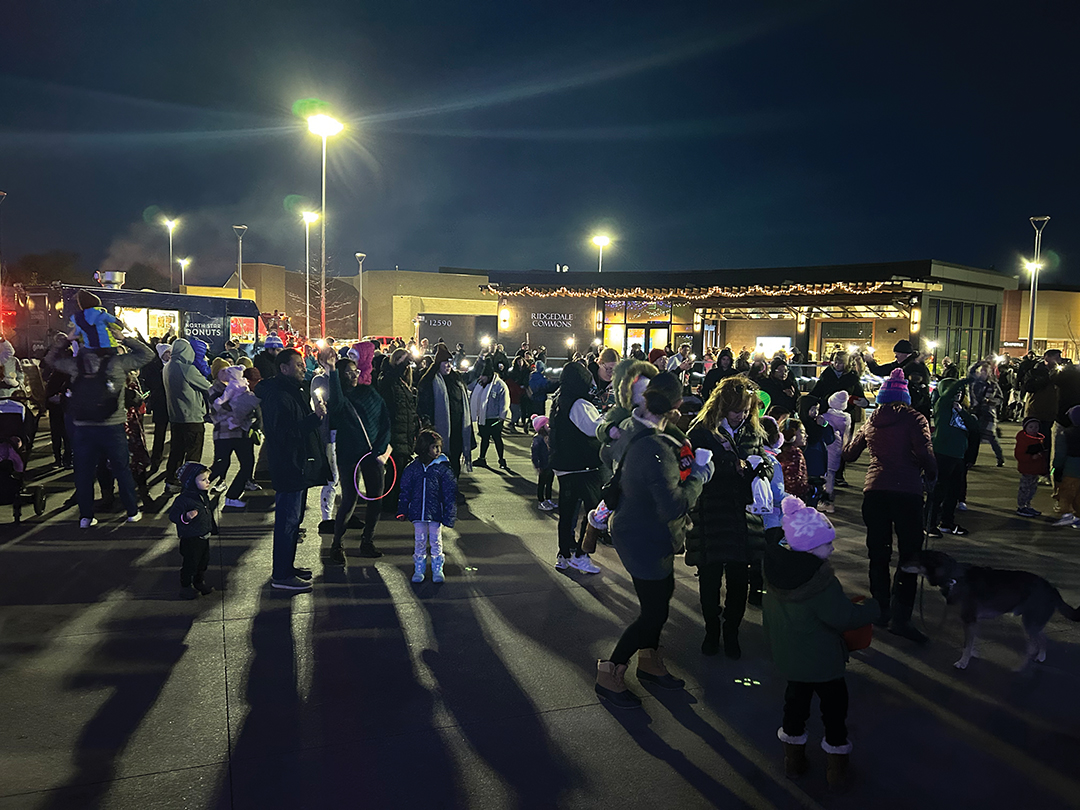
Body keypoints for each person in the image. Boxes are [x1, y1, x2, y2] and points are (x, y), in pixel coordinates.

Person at [594, 372, 711, 709]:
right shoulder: (656, 449)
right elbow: (673, 504)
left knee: (661, 599)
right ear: (675, 406)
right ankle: (610, 671)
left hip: (636, 529)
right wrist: (701, 475)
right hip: (645, 535)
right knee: (653, 611)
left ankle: (649, 660)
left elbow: (606, 451)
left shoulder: (633, 428)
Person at [763, 496, 879, 790]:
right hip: (824, 661)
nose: (833, 548)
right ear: (811, 548)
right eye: (828, 544)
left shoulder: (778, 575)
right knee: (834, 711)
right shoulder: (821, 583)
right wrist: (874, 609)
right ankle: (836, 769)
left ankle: (794, 761)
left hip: (791, 659)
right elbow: (843, 617)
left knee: (795, 708)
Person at [842, 368, 936, 642]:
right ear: (905, 397)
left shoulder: (872, 420)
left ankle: (881, 609)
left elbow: (849, 454)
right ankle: (901, 618)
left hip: (875, 492)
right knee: (909, 555)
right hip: (907, 492)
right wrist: (932, 474)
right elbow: (924, 452)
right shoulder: (915, 419)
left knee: (878, 553)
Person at [687, 376, 770, 659]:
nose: (743, 415)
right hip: (711, 511)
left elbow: (764, 459)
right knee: (709, 578)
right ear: (722, 407)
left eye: (747, 410)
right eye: (737, 410)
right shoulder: (701, 431)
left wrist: (762, 470)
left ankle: (731, 632)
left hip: (743, 514)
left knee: (739, 579)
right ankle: (712, 630)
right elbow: (693, 468)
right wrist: (728, 465)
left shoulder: (752, 431)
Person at [45, 331, 153, 527]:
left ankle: (86, 516)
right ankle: (131, 511)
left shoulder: (77, 364)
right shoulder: (117, 363)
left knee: (84, 472)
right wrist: (124, 338)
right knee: (122, 470)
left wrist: (66, 340)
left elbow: (51, 359)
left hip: (84, 427)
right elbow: (147, 354)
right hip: (112, 425)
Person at [255, 347, 330, 593]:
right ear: (283, 368)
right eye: (298, 365)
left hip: (297, 465)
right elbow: (283, 434)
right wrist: (314, 419)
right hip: (289, 466)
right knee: (287, 522)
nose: (302, 369)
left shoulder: (292, 390)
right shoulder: (278, 396)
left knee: (293, 521)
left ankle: (288, 567)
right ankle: (281, 574)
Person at [325, 349, 392, 562]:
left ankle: (368, 540)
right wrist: (332, 370)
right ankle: (337, 544)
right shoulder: (340, 399)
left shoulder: (369, 393)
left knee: (376, 496)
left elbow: (384, 420)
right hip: (349, 454)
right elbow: (336, 405)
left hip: (373, 454)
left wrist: (380, 447)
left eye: (355, 371)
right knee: (349, 499)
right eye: (348, 373)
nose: (353, 376)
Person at [548, 361, 606, 574]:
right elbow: (594, 429)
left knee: (567, 514)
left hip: (564, 465)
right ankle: (582, 554)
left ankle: (564, 554)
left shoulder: (559, 399)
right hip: (583, 466)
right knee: (594, 512)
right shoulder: (579, 403)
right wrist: (606, 418)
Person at [397, 429, 457, 583]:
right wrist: (402, 510)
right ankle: (419, 569)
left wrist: (449, 514)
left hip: (435, 512)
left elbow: (450, 493)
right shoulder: (413, 468)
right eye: (434, 447)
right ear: (425, 448)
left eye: (438, 447)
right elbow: (405, 490)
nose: (437, 450)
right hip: (418, 512)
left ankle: (437, 569)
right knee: (420, 540)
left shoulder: (442, 468)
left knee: (436, 540)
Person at [418, 344, 473, 480]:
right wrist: (428, 424)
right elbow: (424, 405)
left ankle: (453, 488)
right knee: (439, 462)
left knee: (455, 460)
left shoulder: (456, 380)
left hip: (458, 430)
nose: (448, 366)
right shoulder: (430, 381)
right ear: (438, 364)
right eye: (445, 363)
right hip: (439, 430)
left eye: (450, 363)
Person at [208, 365, 260, 509]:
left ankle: (232, 496)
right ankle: (194, 487)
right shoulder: (214, 389)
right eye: (223, 368)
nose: (226, 371)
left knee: (247, 463)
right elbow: (217, 408)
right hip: (223, 433)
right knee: (220, 465)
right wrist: (238, 410)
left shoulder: (242, 386)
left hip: (241, 433)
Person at [163, 339, 212, 491]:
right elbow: (207, 387)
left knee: (176, 452)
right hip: (192, 417)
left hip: (176, 417)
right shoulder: (187, 369)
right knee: (193, 453)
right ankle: (190, 483)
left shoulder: (167, 367)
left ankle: (171, 481)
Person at [928, 378, 971, 536]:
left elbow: (973, 426)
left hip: (959, 455)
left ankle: (947, 522)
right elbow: (948, 393)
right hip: (943, 453)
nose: (958, 393)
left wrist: (961, 411)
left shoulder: (960, 409)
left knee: (953, 491)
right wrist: (969, 378)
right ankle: (929, 523)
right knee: (939, 490)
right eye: (955, 391)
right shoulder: (942, 405)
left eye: (960, 392)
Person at [168, 462, 218, 599]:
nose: (208, 482)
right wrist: (186, 517)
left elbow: (207, 512)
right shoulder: (183, 499)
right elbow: (173, 516)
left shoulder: (202, 495)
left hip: (203, 535)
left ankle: (199, 582)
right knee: (191, 562)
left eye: (207, 479)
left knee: (203, 561)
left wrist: (211, 527)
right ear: (190, 482)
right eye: (203, 480)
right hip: (191, 538)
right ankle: (186, 586)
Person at [378, 348, 418, 512]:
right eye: (402, 359)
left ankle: (395, 502)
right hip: (395, 433)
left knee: (400, 470)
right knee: (395, 471)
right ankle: (389, 504)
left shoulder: (403, 383)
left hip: (404, 432)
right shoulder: (387, 379)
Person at [309, 346, 340, 531]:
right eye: (327, 357)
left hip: (343, 431)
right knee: (332, 476)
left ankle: (343, 514)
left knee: (344, 477)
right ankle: (326, 517)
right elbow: (317, 401)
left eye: (334, 356)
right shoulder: (319, 379)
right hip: (329, 432)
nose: (332, 360)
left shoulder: (339, 377)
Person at [863, 340, 931, 420]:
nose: (895, 357)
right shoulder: (902, 364)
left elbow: (918, 392)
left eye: (897, 354)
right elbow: (880, 370)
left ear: (905, 354)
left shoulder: (916, 367)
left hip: (915, 411)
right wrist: (870, 361)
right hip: (906, 409)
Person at [470, 359, 511, 469]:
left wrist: (502, 417)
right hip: (483, 417)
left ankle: (502, 460)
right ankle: (482, 459)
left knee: (497, 439)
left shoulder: (500, 385)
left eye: (482, 376)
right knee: (484, 438)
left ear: (488, 376)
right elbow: (470, 387)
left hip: (495, 418)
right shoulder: (480, 384)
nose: (480, 378)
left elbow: (505, 402)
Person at [798, 395, 835, 509]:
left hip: (818, 467)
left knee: (815, 494)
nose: (816, 412)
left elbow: (830, 439)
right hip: (805, 467)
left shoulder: (819, 425)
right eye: (812, 409)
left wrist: (825, 425)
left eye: (817, 409)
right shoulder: (799, 426)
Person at [967, 361, 1004, 466]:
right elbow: (971, 371)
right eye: (982, 370)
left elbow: (1000, 399)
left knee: (991, 436)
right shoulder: (974, 382)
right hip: (975, 411)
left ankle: (1000, 458)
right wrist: (979, 363)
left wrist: (991, 401)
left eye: (986, 370)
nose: (983, 372)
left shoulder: (993, 385)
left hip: (988, 412)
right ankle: (970, 460)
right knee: (974, 437)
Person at [140, 342, 170, 472]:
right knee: (160, 433)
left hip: (172, 403)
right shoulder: (153, 367)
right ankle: (156, 460)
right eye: (167, 353)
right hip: (160, 403)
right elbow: (150, 383)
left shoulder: (173, 366)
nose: (169, 355)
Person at [821, 392, 851, 511]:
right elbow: (846, 435)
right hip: (837, 446)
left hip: (825, 445)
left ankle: (823, 499)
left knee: (822, 473)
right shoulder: (846, 418)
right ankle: (829, 500)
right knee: (831, 474)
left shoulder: (824, 416)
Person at [1052, 406, 1080, 527]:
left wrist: (1056, 468)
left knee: (1068, 494)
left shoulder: (1065, 434)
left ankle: (1071, 515)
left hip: (1071, 469)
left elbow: (1060, 454)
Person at [1015, 417, 1049, 518]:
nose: (1034, 429)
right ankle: (1021, 506)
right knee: (1025, 488)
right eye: (1031, 427)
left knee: (1032, 488)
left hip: (1035, 469)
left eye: (1036, 427)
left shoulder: (1039, 439)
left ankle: (1027, 505)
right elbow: (1019, 455)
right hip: (1027, 468)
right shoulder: (1024, 440)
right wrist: (1031, 457)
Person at [531, 415, 556, 511]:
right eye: (546, 424)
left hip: (550, 463)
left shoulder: (549, 437)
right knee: (542, 483)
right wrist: (537, 465)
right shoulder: (538, 439)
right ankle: (541, 501)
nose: (548, 426)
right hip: (543, 464)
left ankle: (548, 499)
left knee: (549, 482)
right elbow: (535, 453)